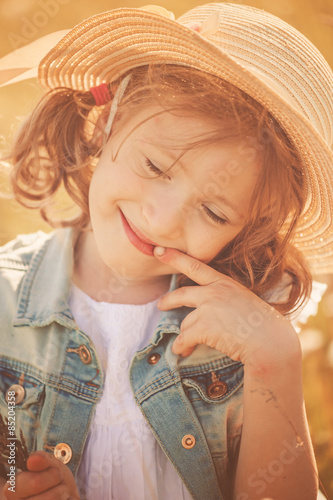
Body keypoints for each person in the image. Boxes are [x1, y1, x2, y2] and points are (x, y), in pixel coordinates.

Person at [0, 3, 332, 499]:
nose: (162, 218)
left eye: (215, 213)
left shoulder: (249, 332)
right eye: (155, 167)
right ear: (103, 123)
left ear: (248, 233)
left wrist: (275, 361)